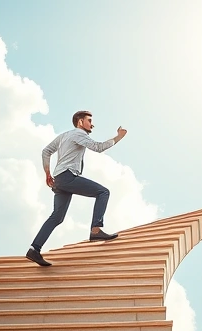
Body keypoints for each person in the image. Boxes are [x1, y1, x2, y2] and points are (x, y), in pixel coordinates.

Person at [26, 111, 128, 266]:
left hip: (59, 179)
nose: (92, 124)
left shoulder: (64, 136)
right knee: (103, 192)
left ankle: (34, 249)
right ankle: (96, 230)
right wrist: (118, 137)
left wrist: (47, 173)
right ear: (80, 122)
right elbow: (98, 147)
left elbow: (46, 151)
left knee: (57, 217)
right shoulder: (79, 134)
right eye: (89, 121)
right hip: (67, 177)